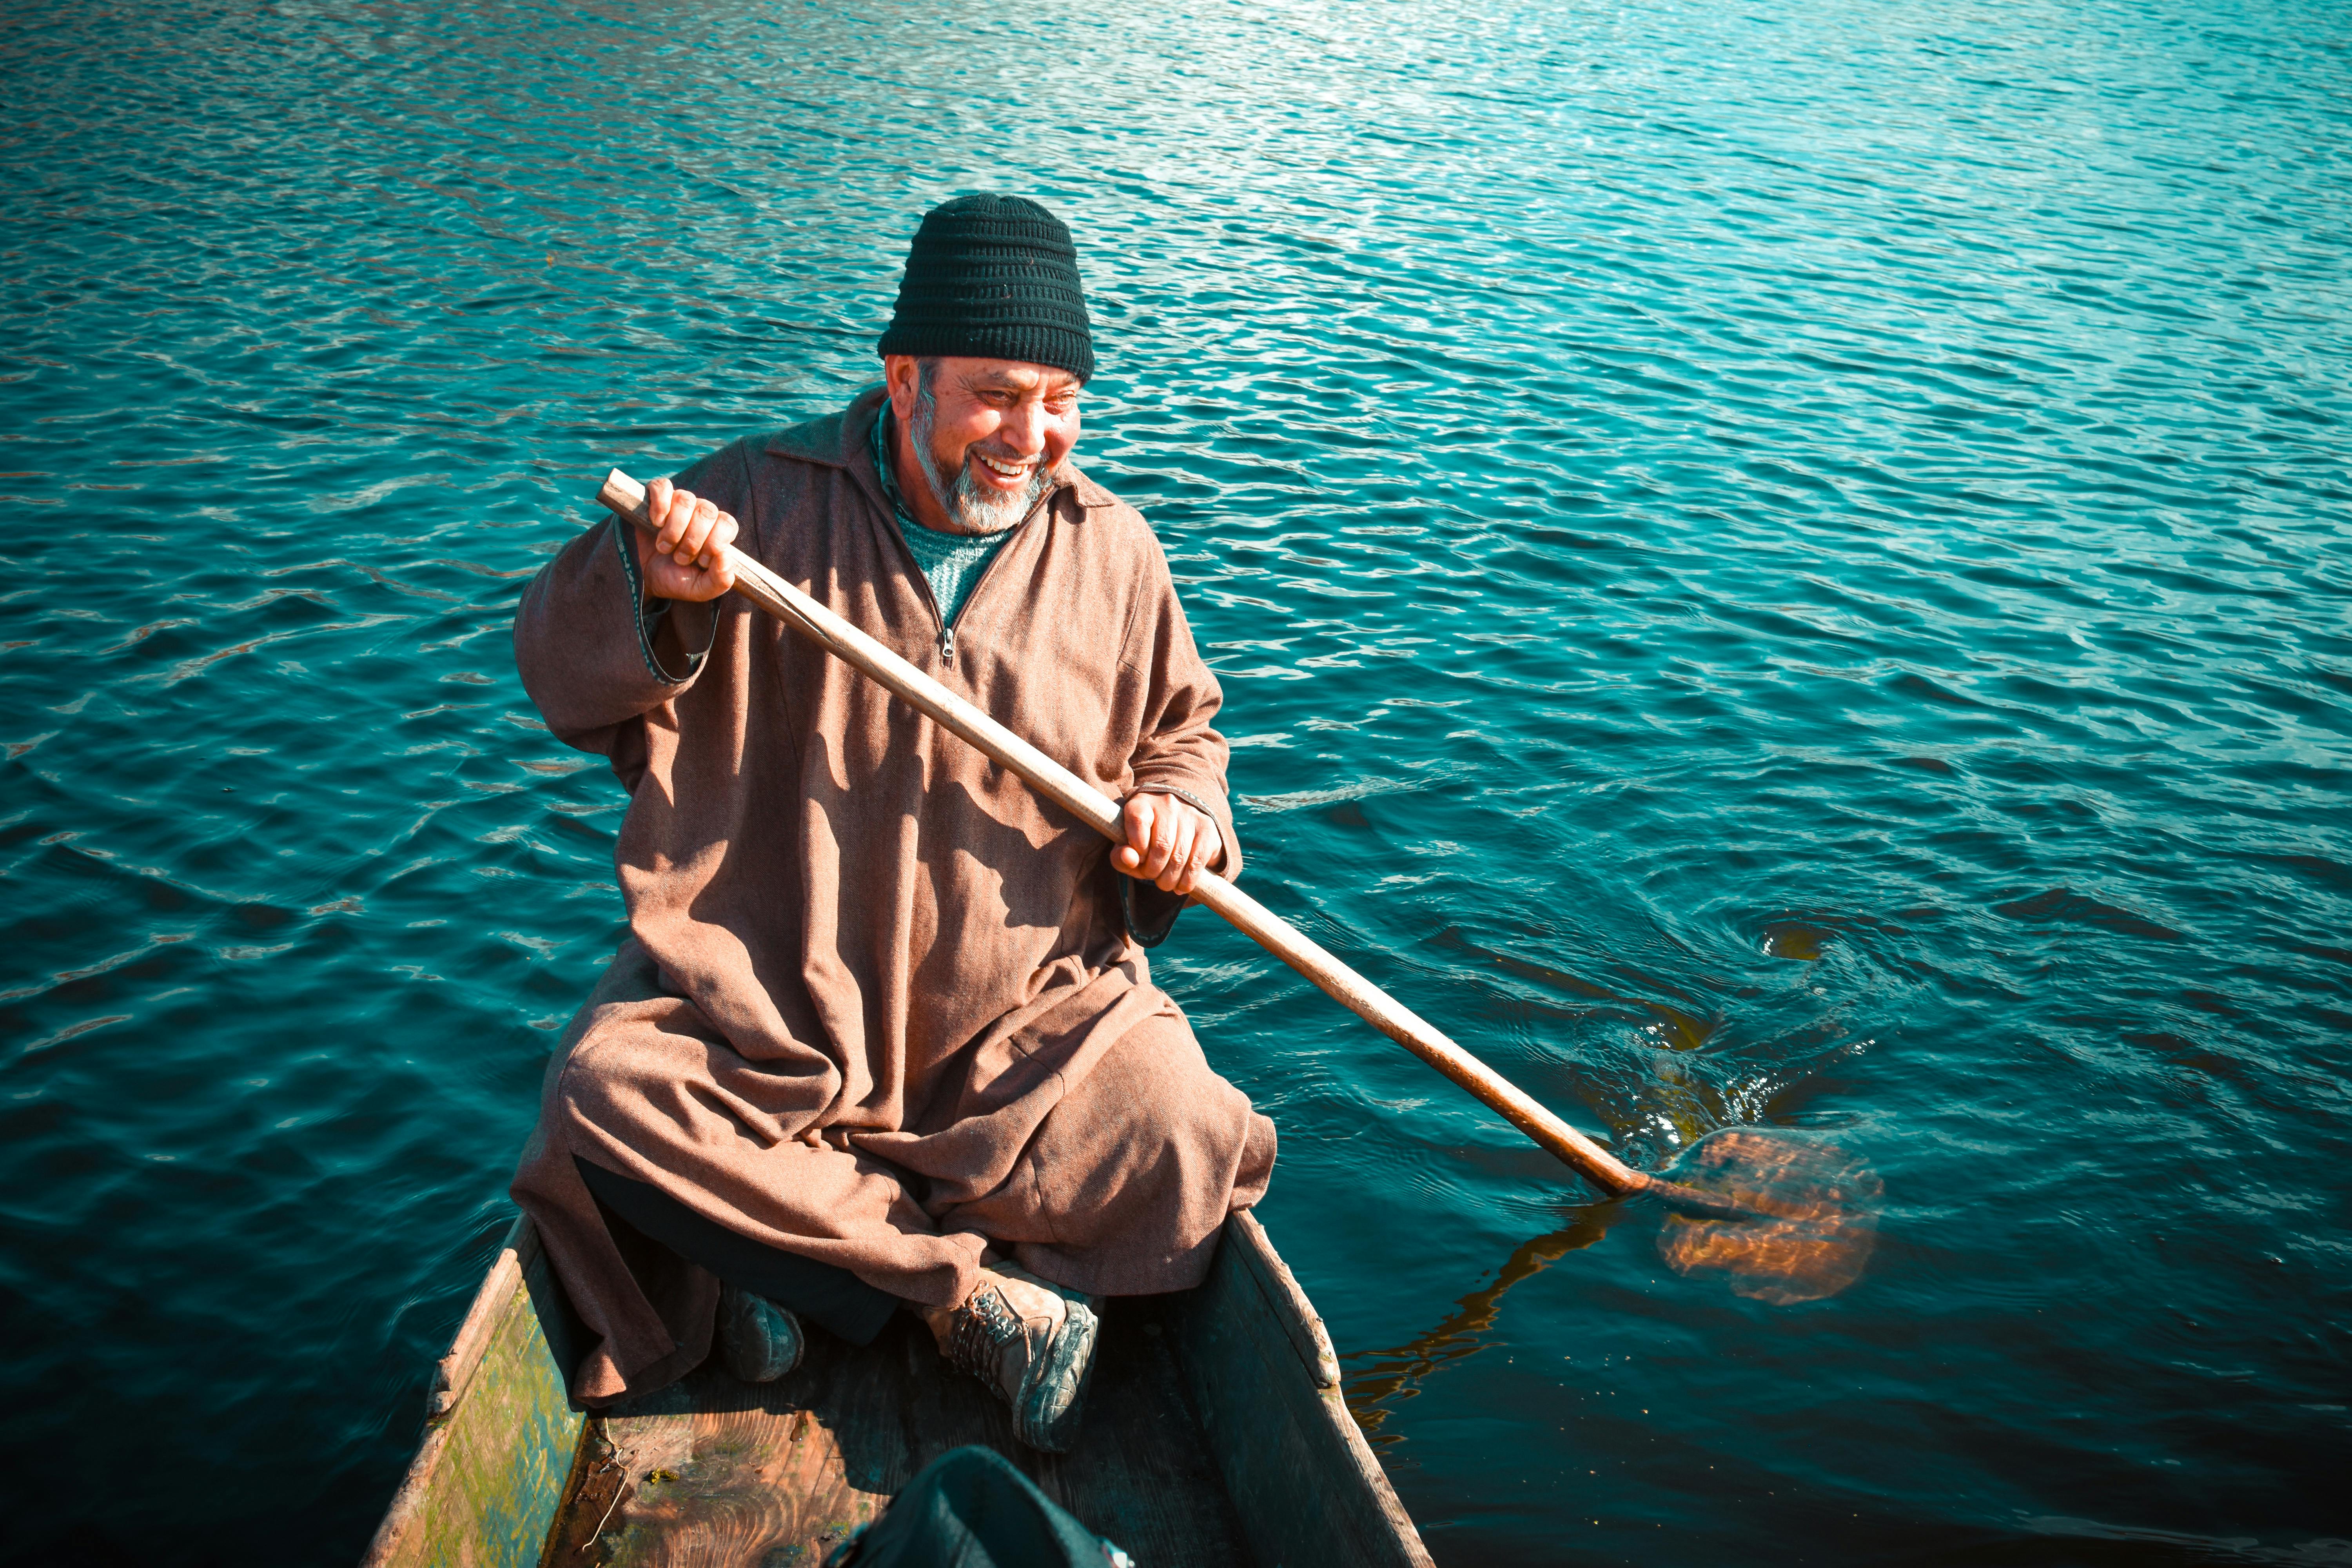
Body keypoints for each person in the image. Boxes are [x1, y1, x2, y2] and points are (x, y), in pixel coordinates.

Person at [508, 193, 1275, 1454]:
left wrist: (1183, 813)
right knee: (607, 1090)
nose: (1035, 438)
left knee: (1188, 1134)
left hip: (1027, 1027)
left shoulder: (1115, 550)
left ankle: (793, 1257)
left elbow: (1185, 733)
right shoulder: (751, 503)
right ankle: (965, 1304)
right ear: (904, 375)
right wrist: (652, 586)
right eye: (999, 395)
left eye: (1061, 401)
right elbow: (556, 666)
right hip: (774, 1018)